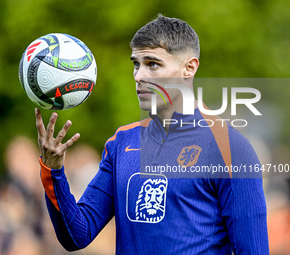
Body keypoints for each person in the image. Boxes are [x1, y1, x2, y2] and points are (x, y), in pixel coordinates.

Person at [35, 14, 269, 254]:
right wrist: (53, 171)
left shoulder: (230, 148)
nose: (139, 76)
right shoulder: (121, 142)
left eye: (152, 64)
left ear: (189, 67)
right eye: (136, 64)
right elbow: (77, 234)